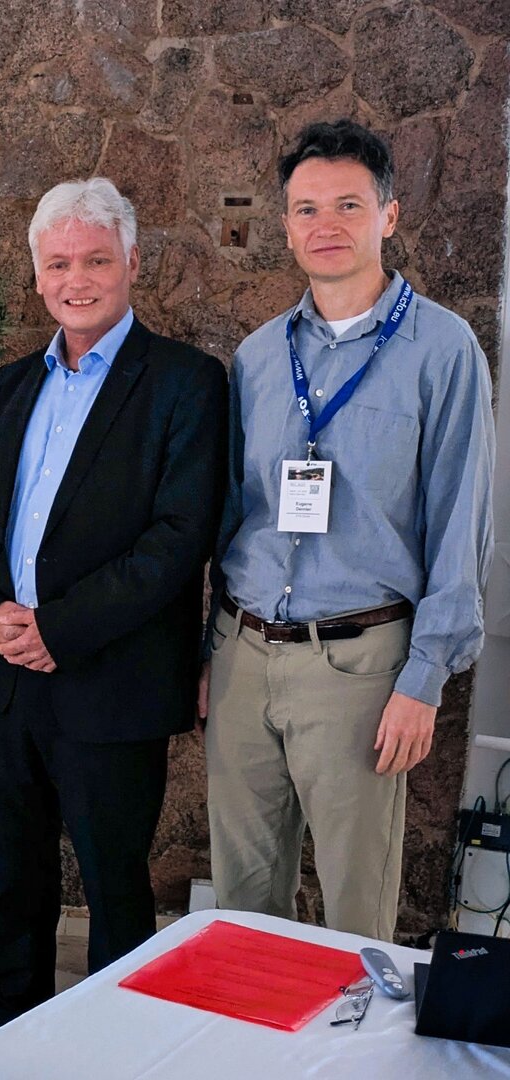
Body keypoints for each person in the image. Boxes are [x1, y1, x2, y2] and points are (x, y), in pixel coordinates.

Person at [0, 178, 227, 1075]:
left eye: (96, 260)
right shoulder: (13, 385)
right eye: (59, 263)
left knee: (113, 882)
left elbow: (178, 539)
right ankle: (13, 1025)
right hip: (11, 676)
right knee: (11, 872)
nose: (77, 280)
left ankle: (111, 1048)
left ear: (131, 263)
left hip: (112, 680)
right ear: (37, 274)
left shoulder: (185, 383)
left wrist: (57, 627)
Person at [205, 119, 493, 941]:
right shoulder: (259, 357)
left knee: (353, 920)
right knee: (242, 912)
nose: (324, 225)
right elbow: (233, 518)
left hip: (361, 668)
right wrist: (210, 651)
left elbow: (461, 521)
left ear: (388, 216)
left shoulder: (444, 350)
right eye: (306, 209)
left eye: (347, 205)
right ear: (285, 223)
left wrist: (424, 679)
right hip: (243, 657)